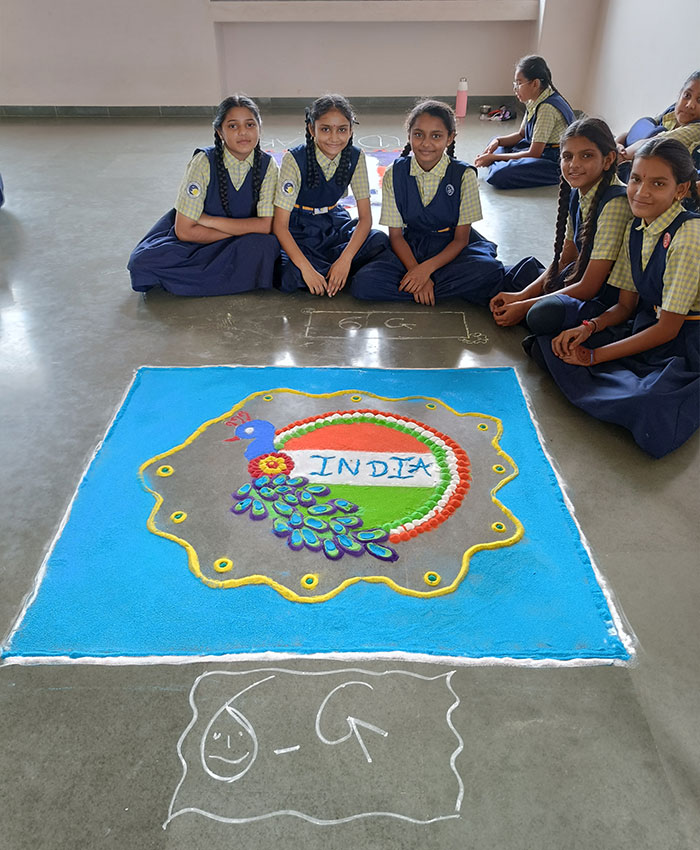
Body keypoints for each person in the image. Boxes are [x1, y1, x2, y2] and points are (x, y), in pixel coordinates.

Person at [528, 138, 699, 458]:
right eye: (636, 179)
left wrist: (594, 357)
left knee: (651, 405)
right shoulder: (638, 228)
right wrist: (589, 328)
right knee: (550, 344)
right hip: (647, 321)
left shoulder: (688, 237)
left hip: (686, 339)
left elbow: (668, 330)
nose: (641, 192)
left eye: (658, 183)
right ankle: (610, 380)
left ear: (680, 190)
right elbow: (624, 305)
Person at [350, 100, 504, 305]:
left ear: (450, 138)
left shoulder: (463, 175)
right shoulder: (394, 173)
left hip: (451, 248)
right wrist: (416, 270)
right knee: (363, 283)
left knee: (489, 270)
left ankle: (416, 287)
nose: (426, 143)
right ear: (409, 136)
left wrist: (425, 271)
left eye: (437, 136)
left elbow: (461, 240)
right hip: (410, 246)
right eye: (418, 134)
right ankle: (438, 289)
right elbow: (396, 237)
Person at [128, 95, 279, 296]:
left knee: (267, 246)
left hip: (224, 234)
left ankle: (200, 280)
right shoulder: (203, 162)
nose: (243, 132)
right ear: (220, 132)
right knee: (142, 262)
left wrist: (209, 221)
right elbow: (184, 231)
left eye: (250, 124)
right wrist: (241, 231)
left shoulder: (269, 167)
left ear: (259, 127)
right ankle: (233, 278)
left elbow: (266, 226)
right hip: (199, 241)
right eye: (233, 126)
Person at [490, 118, 633, 331]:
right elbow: (566, 259)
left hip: (605, 299)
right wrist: (522, 296)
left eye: (586, 155)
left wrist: (524, 305)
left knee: (541, 315)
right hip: (580, 276)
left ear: (608, 159)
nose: (574, 164)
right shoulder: (578, 193)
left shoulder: (615, 204)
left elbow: (590, 287)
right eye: (567, 156)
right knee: (510, 275)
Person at [272, 94, 388, 296]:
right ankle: (322, 273)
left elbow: (366, 218)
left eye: (342, 129)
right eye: (325, 129)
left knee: (378, 239)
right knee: (291, 274)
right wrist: (306, 269)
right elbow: (280, 226)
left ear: (351, 130)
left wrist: (345, 260)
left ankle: (333, 270)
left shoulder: (355, 156)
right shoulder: (294, 159)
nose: (334, 138)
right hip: (300, 229)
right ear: (311, 129)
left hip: (333, 223)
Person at [474, 55, 574, 189]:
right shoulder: (534, 99)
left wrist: (493, 157)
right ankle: (500, 161)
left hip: (551, 159)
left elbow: (534, 153)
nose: (515, 89)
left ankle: (498, 164)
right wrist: (497, 141)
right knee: (495, 140)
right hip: (536, 147)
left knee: (498, 175)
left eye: (519, 83)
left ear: (535, 83)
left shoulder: (547, 108)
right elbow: (521, 135)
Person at [616, 71, 700, 180]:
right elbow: (634, 132)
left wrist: (620, 155)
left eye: (699, 100)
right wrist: (617, 143)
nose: (690, 105)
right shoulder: (672, 112)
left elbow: (653, 143)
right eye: (687, 95)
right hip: (627, 159)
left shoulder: (697, 129)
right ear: (679, 94)